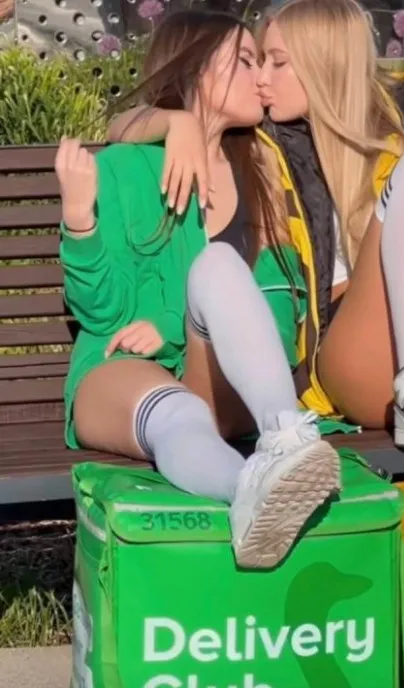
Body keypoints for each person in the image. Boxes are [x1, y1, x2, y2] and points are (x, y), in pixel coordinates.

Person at [107, 0, 404, 466]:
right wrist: (177, 122)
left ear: (322, 64)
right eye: (257, 62)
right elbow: (120, 126)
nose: (261, 79)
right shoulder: (263, 139)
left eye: (277, 63)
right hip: (355, 348)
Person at [56, 10, 341, 570]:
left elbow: (278, 305)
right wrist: (80, 220)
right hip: (122, 373)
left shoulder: (263, 168)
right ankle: (252, 490)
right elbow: (102, 313)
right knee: (177, 414)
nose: (260, 76)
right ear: (196, 70)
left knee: (216, 263)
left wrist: (168, 328)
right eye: (244, 61)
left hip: (223, 382)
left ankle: (286, 443)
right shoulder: (127, 168)